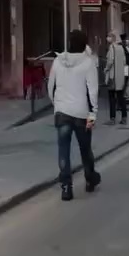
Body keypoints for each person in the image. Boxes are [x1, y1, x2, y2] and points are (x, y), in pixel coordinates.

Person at [48, 29, 100, 201]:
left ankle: (66, 188)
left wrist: (57, 104)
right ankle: (90, 179)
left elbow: (51, 87)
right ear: (84, 44)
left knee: (63, 151)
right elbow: (92, 91)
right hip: (82, 112)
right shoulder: (88, 62)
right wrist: (93, 115)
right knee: (85, 149)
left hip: (62, 112)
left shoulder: (57, 61)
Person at [103, 33, 129, 125]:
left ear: (113, 38)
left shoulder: (112, 47)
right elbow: (124, 61)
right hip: (120, 76)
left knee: (112, 98)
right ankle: (124, 117)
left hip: (112, 76)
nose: (108, 38)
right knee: (121, 97)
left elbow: (110, 61)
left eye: (109, 36)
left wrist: (106, 69)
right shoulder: (121, 48)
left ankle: (112, 118)